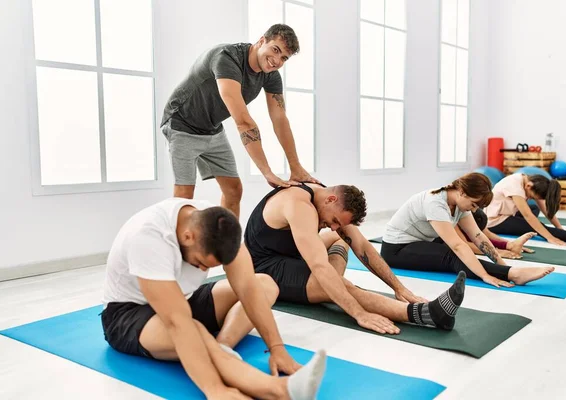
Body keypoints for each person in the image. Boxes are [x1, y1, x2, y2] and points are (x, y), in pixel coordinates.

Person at [101, 198, 325, 400]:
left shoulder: (220, 227)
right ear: (188, 237)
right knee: (194, 330)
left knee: (264, 284)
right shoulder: (149, 237)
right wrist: (215, 390)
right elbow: (178, 323)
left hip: (184, 296)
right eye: (201, 263)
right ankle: (279, 390)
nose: (202, 269)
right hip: (128, 314)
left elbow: (248, 288)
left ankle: (221, 348)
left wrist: (277, 348)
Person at [244, 182, 467, 333]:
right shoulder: (299, 206)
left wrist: (399, 288)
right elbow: (320, 268)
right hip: (265, 266)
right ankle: (428, 314)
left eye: (337, 223)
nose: (331, 226)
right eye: (333, 220)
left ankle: (328, 290)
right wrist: (359, 314)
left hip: (291, 255)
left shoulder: (322, 197)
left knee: (341, 239)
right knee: (335, 282)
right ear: (331, 199)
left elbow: (363, 247)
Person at [161, 24, 318, 217]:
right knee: (184, 197)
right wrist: (267, 172)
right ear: (262, 41)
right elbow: (243, 121)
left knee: (234, 190)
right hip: (182, 123)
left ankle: (229, 245)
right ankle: (176, 247)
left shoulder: (270, 76)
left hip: (212, 129)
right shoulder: (226, 58)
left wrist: (296, 167)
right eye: (275, 50)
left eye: (284, 58)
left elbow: (280, 120)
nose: (276, 60)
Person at [380, 173, 555, 288]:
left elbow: (478, 236)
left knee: (463, 249)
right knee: (454, 254)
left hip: (422, 242)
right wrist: (485, 276)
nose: (473, 209)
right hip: (397, 249)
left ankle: (509, 270)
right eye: (473, 204)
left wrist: (502, 264)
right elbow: (457, 245)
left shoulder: (459, 204)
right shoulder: (435, 202)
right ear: (462, 192)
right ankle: (514, 275)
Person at [485, 173, 566, 246]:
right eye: (531, 196)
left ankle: (525, 226)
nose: (529, 198)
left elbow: (546, 210)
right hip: (494, 220)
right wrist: (549, 237)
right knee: (533, 224)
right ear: (528, 186)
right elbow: (528, 216)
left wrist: (560, 229)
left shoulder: (530, 182)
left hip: (508, 213)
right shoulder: (514, 185)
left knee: (534, 208)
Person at [456, 208, 536, 260]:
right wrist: (497, 252)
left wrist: (509, 244)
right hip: (445, 243)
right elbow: (465, 244)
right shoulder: (453, 221)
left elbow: (487, 234)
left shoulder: (470, 212)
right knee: (471, 238)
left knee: (479, 237)